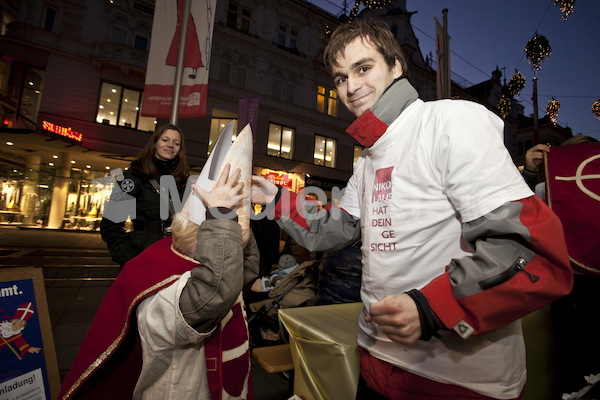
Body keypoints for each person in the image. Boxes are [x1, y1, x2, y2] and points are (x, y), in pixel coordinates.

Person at [251, 20, 572, 399]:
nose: (351, 87)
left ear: (397, 67)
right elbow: (333, 230)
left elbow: (530, 252)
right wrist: (274, 198)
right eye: (340, 78)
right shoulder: (368, 158)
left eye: (363, 68)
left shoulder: (451, 121)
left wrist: (430, 308)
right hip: (376, 361)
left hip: (455, 379)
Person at [59, 164, 259, 400]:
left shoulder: (213, 263)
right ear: (205, 244)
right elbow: (216, 290)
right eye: (228, 235)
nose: (234, 239)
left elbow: (243, 266)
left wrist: (236, 216)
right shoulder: (171, 291)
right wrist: (222, 214)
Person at [522, 135, 600, 396]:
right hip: (569, 283)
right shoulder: (548, 191)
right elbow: (520, 215)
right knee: (572, 351)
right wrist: (531, 174)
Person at [100, 123, 189, 267]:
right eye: (165, 140)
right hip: (143, 255)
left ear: (180, 149)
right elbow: (110, 225)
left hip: (174, 255)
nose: (170, 145)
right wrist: (129, 260)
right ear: (155, 143)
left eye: (176, 143)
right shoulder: (133, 176)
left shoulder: (182, 181)